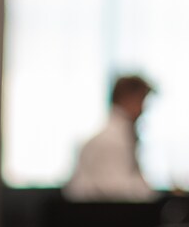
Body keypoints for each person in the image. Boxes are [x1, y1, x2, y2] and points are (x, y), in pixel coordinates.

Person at [66, 73, 156, 201]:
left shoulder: (122, 136)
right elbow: (116, 191)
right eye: (142, 100)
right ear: (127, 98)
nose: (143, 110)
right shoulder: (110, 141)